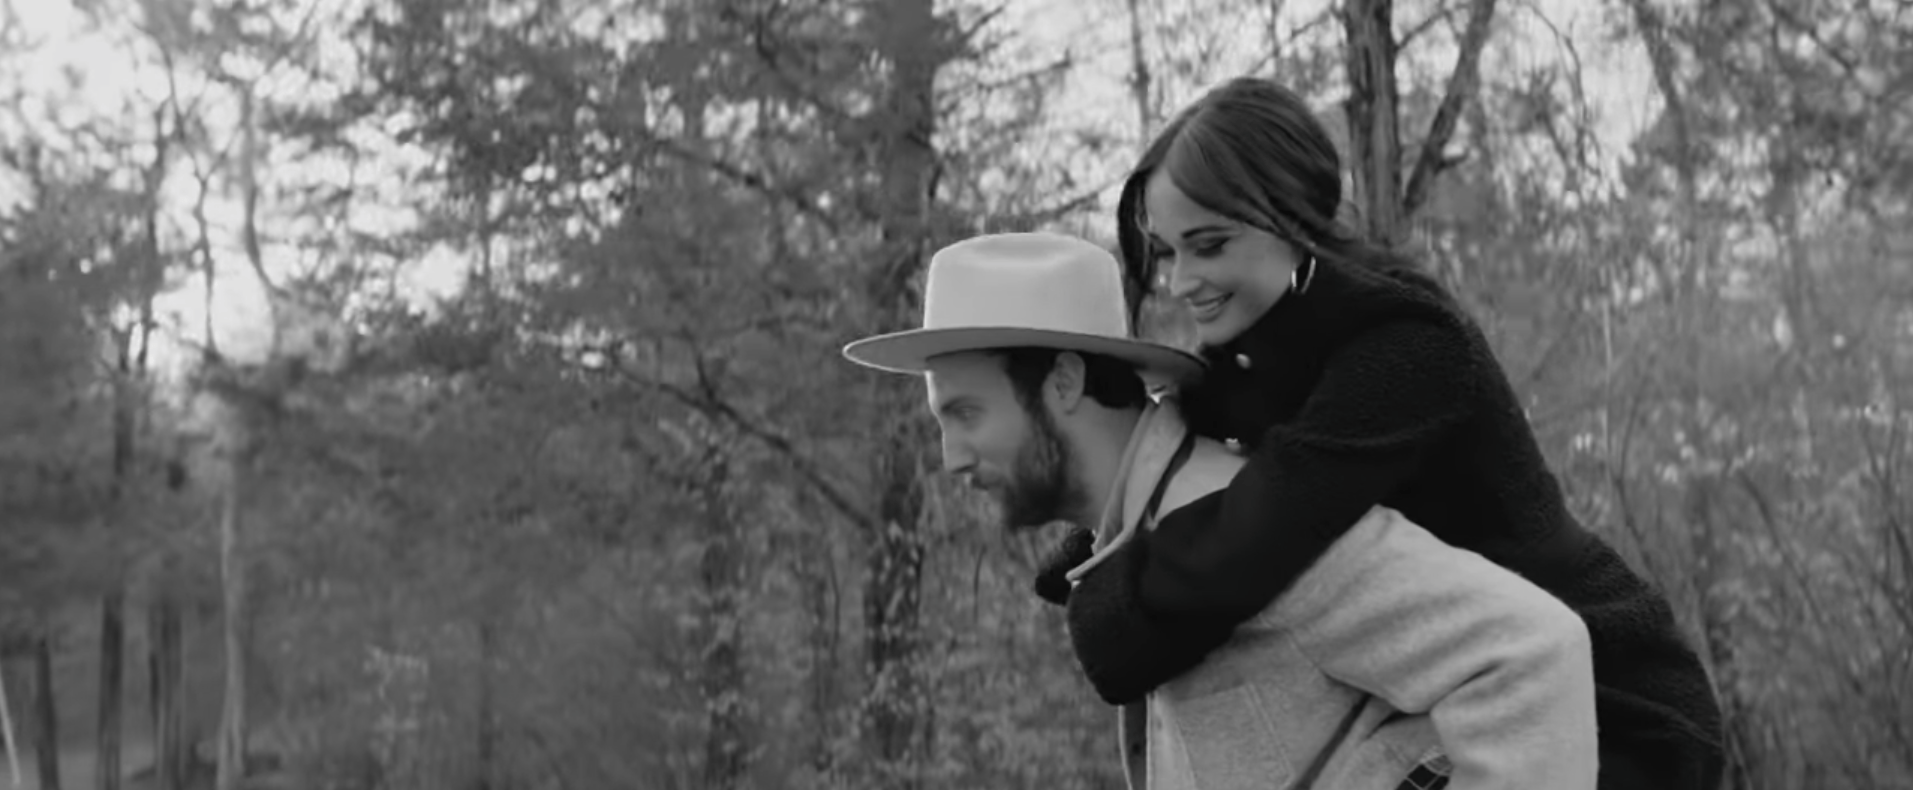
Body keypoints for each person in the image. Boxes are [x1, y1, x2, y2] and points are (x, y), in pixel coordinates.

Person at [1045, 75, 1724, 788]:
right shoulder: (1260, 347)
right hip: (1473, 699)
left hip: (1616, 707)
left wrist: (1106, 601)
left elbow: (1258, 531)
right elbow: (1173, 458)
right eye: (1166, 253)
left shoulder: (1406, 343)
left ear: (1293, 216)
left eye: (1208, 246)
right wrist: (1089, 541)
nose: (1181, 280)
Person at [843, 232, 1598, 790]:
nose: (950, 456)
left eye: (966, 413)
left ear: (1064, 381)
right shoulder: (1142, 549)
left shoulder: (1248, 526)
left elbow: (1533, 653)